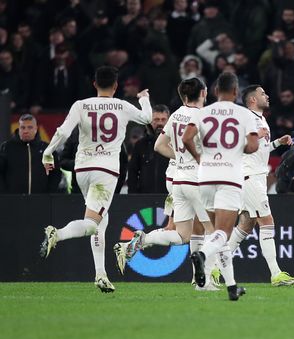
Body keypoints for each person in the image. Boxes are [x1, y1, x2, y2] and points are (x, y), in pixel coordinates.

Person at [40, 66, 152, 293]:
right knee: (92, 223)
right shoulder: (121, 106)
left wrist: (48, 152)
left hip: (83, 170)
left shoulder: (80, 105)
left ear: (94, 84)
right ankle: (57, 234)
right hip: (106, 171)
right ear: (116, 86)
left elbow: (63, 132)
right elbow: (147, 118)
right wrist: (145, 99)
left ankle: (101, 275)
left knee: (102, 220)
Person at [114, 77, 218, 290]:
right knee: (214, 231)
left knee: (182, 236)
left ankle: (142, 240)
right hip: (197, 181)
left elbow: (159, 145)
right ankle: (206, 281)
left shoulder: (177, 115)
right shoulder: (203, 116)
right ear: (203, 93)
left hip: (178, 182)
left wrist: (180, 159)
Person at [183, 72, 259, 301]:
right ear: (236, 92)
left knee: (215, 232)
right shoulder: (245, 114)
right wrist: (239, 149)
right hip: (229, 177)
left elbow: (187, 138)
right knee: (223, 234)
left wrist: (199, 158)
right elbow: (253, 146)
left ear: (216, 91)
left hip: (205, 177)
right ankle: (202, 255)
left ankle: (232, 286)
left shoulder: (202, 113)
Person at [226, 84, 294, 286]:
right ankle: (276, 274)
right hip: (249, 176)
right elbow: (233, 142)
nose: (267, 96)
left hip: (254, 176)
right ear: (251, 100)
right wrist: (256, 135)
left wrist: (277, 143)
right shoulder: (245, 118)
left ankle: (214, 267)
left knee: (246, 226)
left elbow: (259, 147)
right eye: (262, 93)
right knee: (267, 222)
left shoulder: (260, 119)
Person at [0, 114, 61, 194]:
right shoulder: (7, 147)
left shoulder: (47, 150)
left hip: (40, 200)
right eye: (23, 127)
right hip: (13, 201)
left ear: (36, 129)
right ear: (18, 129)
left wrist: (49, 194)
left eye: (30, 127)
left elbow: (54, 173)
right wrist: (4, 194)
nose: (26, 131)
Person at [127, 104, 170, 193]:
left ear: (168, 121)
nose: (160, 123)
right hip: (144, 200)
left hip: (169, 198)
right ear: (150, 121)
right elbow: (132, 173)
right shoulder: (140, 145)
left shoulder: (175, 144)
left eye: (163, 119)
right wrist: (132, 196)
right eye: (156, 119)